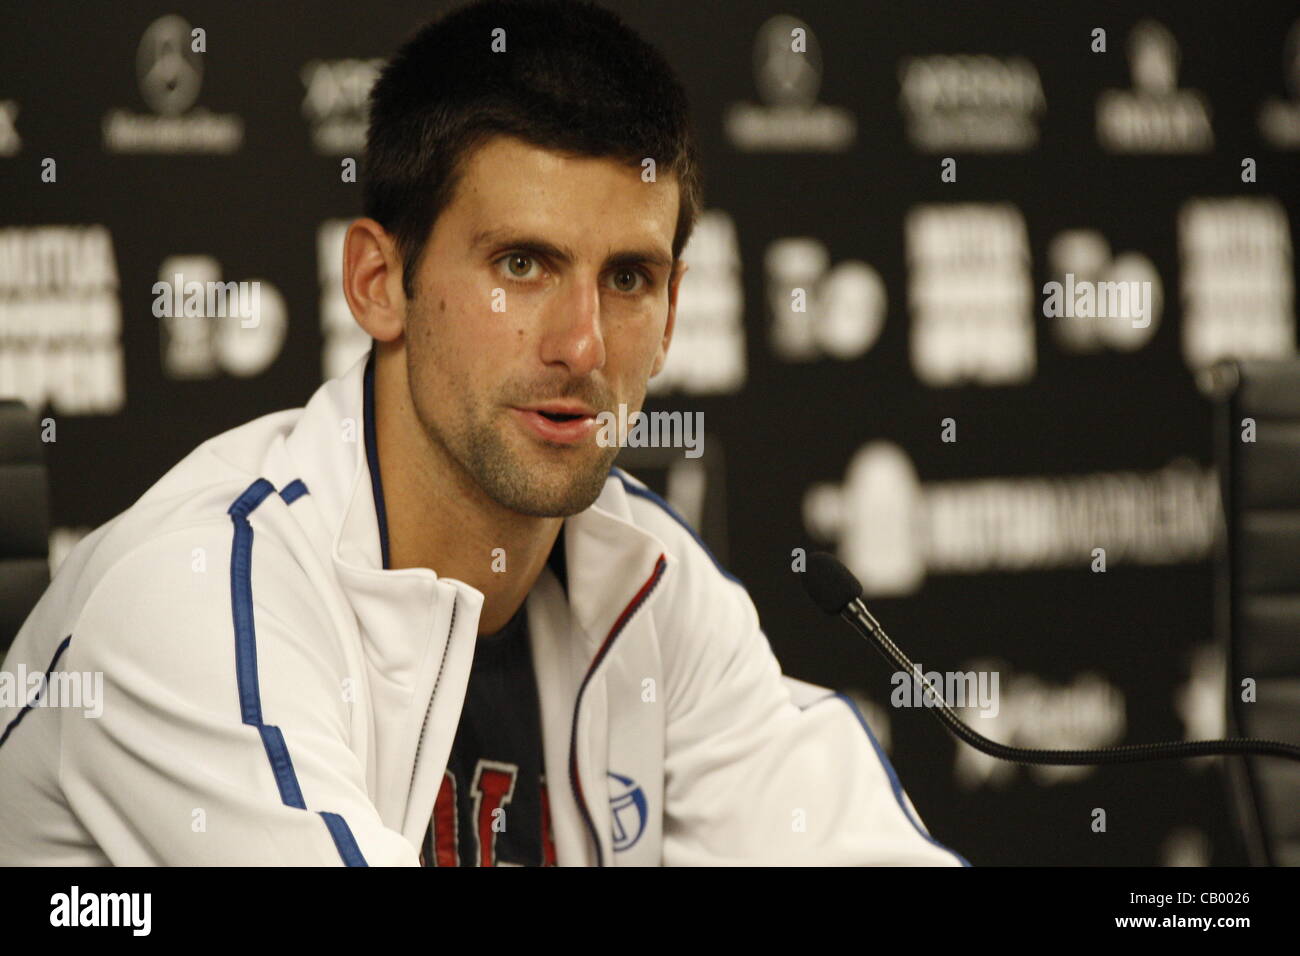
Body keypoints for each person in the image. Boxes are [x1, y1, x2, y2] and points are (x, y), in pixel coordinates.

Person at [0, 0, 968, 866]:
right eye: (522, 262)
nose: (581, 344)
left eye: (628, 278)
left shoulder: (653, 580)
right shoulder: (201, 596)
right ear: (380, 283)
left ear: (673, 312)